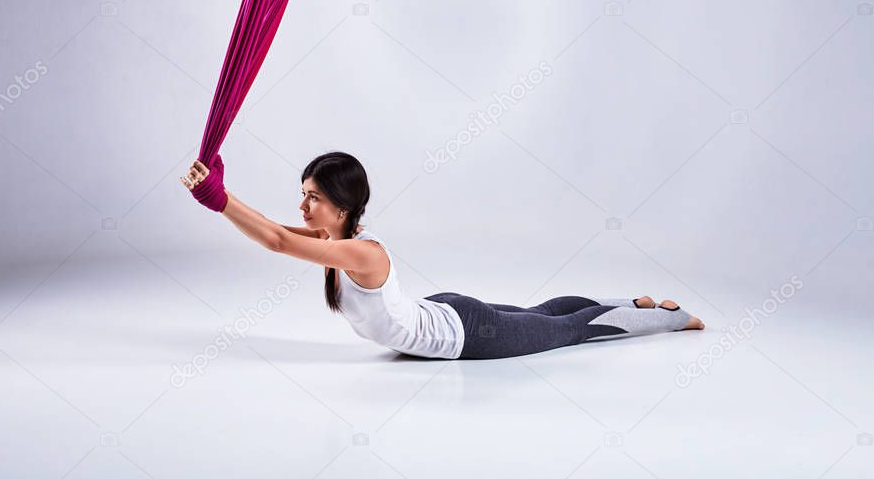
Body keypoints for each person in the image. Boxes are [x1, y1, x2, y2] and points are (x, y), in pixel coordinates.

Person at [180, 151, 704, 360]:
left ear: (342, 206)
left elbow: (275, 241)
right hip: (449, 311)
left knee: (564, 331)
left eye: (313, 197)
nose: (303, 205)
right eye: (304, 194)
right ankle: (629, 300)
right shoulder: (334, 242)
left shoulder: (362, 251)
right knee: (542, 313)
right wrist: (223, 194)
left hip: (467, 332)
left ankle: (668, 319)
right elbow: (274, 230)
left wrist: (217, 200)